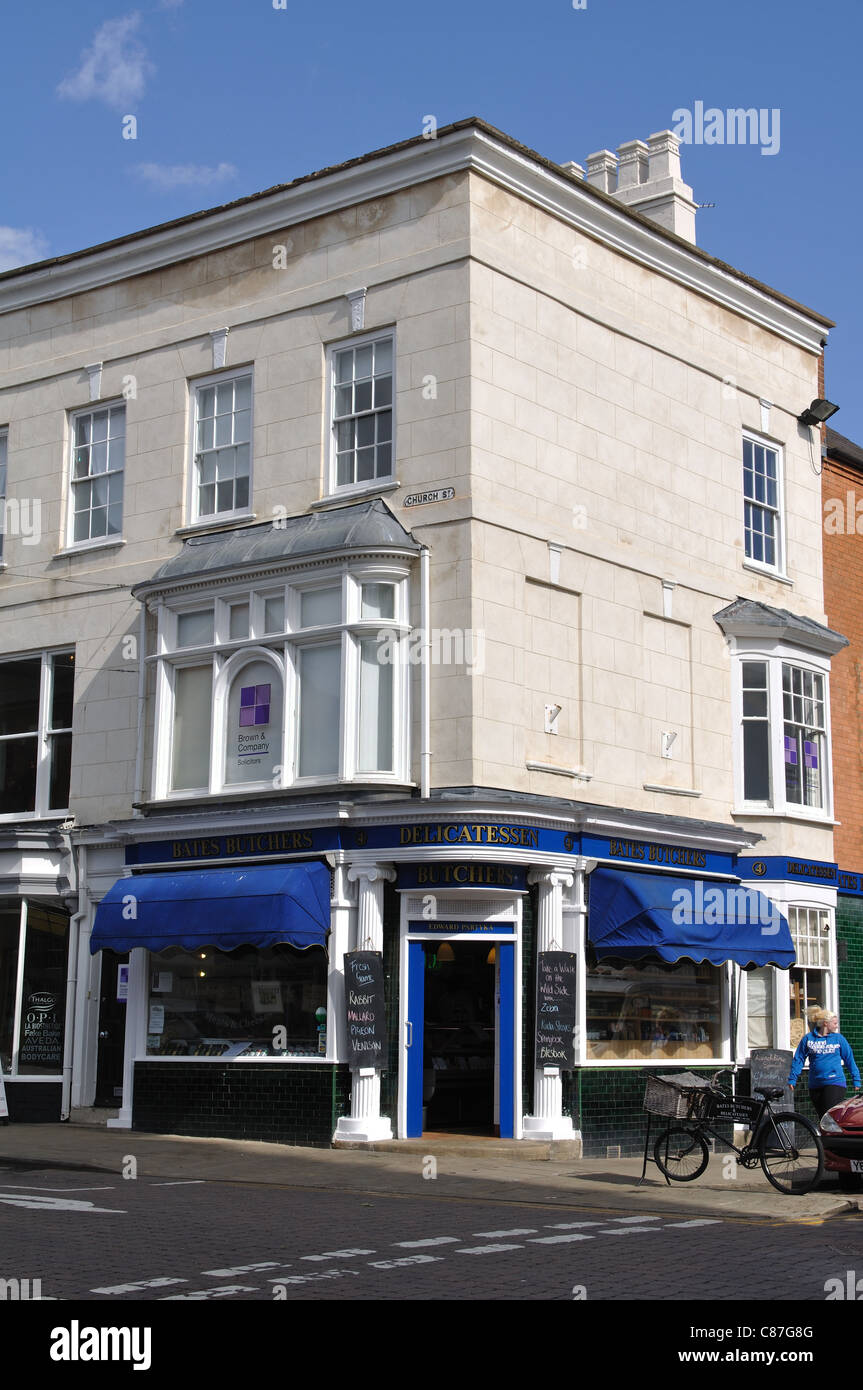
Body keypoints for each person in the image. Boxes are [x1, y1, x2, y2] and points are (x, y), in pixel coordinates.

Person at [788, 1007, 862, 1117]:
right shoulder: (808, 1039)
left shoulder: (838, 1039)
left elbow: (849, 1059)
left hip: (835, 1082)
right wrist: (792, 1079)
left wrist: (856, 1079)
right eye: (835, 1023)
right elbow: (799, 1059)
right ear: (826, 1023)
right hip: (815, 1084)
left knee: (829, 1116)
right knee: (822, 1117)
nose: (837, 1026)